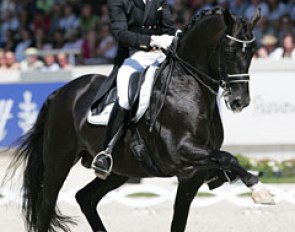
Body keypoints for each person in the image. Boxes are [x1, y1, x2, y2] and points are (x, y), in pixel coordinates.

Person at [91, 0, 178, 179]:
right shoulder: (118, 2)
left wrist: (175, 36)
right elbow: (121, 33)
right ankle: (107, 152)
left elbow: (169, 28)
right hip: (133, 56)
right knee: (125, 96)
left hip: (161, 56)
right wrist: (152, 40)